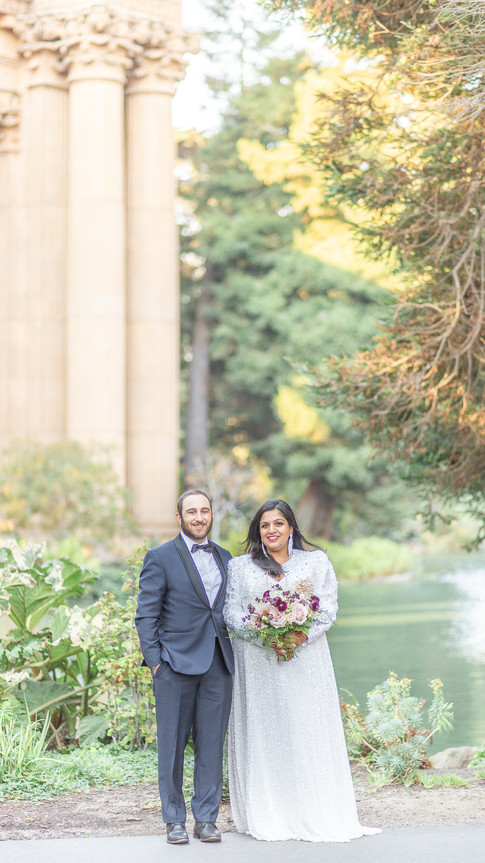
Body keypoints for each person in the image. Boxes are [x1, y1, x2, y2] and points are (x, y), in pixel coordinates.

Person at [223, 498, 380, 843]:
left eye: (278, 523)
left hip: (306, 659)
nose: (271, 530)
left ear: (291, 527)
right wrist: (265, 636)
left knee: (305, 727)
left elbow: (328, 607)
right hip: (257, 659)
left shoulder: (316, 561)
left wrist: (299, 636)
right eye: (265, 525)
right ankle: (269, 810)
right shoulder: (239, 567)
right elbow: (231, 613)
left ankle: (313, 808)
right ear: (257, 531)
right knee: (267, 730)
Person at [135, 490, 234, 845]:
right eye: (191, 511)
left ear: (211, 516)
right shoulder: (160, 557)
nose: (198, 517)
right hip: (173, 666)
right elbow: (145, 615)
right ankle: (173, 819)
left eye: (204, 511)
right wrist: (156, 663)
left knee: (211, 746)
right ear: (179, 518)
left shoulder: (225, 557)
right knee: (172, 746)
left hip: (217, 664)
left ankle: (206, 818)